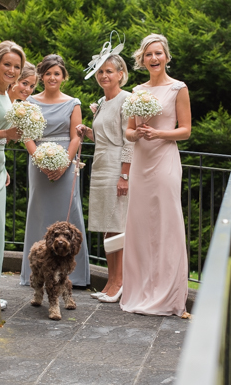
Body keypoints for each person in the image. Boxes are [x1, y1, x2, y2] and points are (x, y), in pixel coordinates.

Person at [121, 34, 192, 317]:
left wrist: (157, 133)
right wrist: (136, 133)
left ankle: (170, 297)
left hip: (164, 161)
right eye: (149, 54)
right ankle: (139, 291)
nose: (154, 58)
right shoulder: (137, 91)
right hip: (141, 162)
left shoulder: (178, 88)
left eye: (158, 53)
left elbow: (185, 130)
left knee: (166, 225)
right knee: (140, 227)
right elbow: (127, 131)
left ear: (166, 57)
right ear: (142, 59)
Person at [20, 54, 91, 287]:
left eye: (57, 73)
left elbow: (75, 138)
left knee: (70, 212)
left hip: (66, 164)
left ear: (63, 77)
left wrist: (64, 165)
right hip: (38, 162)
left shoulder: (74, 103)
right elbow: (27, 135)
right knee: (38, 212)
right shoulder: (29, 102)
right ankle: (36, 274)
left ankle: (75, 276)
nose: (52, 77)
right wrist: (39, 159)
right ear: (42, 76)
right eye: (48, 73)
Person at [76, 50, 133, 303]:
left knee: (116, 226)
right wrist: (87, 130)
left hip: (115, 167)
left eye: (109, 71)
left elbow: (128, 142)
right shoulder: (102, 102)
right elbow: (103, 138)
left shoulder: (127, 100)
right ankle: (110, 280)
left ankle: (119, 282)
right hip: (100, 165)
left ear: (121, 74)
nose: (103, 75)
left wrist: (125, 175)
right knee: (106, 227)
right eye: (100, 71)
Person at [0, 40, 26, 310]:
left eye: (17, 66)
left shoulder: (6, 94)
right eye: (7, 64)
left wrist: (3, 169)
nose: (12, 70)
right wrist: (6, 134)